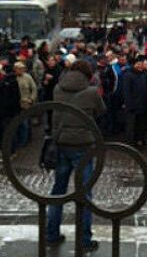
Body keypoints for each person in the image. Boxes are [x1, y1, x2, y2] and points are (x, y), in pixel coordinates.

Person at [47, 60, 106, 253]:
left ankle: (51, 234)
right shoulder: (91, 92)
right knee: (85, 194)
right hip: (83, 146)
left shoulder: (58, 88)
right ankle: (84, 239)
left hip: (61, 143)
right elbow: (101, 111)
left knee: (58, 190)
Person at [122, 56, 147, 146]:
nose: (140, 66)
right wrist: (129, 104)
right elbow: (126, 91)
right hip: (132, 105)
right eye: (138, 64)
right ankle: (129, 142)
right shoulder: (128, 75)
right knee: (131, 125)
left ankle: (139, 139)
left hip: (142, 105)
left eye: (141, 64)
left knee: (140, 125)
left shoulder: (144, 75)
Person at [15, 61, 38, 147]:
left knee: (26, 123)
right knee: (20, 123)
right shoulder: (14, 78)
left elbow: (34, 88)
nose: (20, 70)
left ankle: (24, 141)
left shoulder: (28, 77)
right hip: (18, 104)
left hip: (27, 103)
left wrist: (32, 99)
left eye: (22, 69)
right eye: (18, 69)